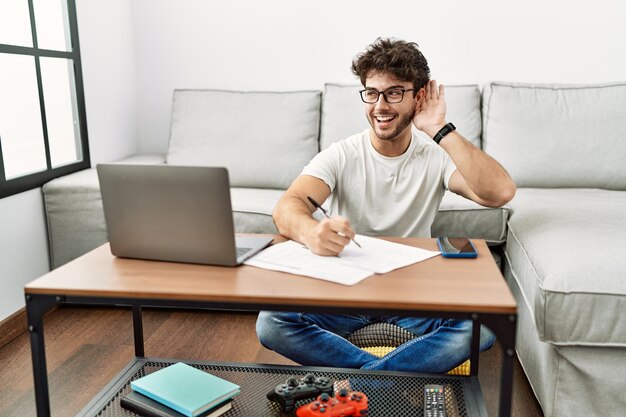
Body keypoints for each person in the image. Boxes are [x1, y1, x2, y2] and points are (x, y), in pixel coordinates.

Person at [255, 38, 516, 373]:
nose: (380, 105)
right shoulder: (343, 153)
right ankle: (388, 380)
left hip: (413, 297)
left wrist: (439, 128)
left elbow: (500, 192)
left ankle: (367, 383)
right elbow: (287, 206)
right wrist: (311, 232)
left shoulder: (435, 155)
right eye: (371, 92)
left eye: (394, 93)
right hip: (345, 294)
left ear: (418, 97)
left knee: (487, 325)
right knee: (272, 323)